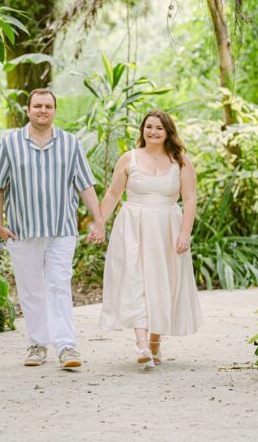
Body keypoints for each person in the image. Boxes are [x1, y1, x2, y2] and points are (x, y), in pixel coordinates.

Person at [0, 88, 106, 370]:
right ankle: (37, 345)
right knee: (31, 290)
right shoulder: (10, 144)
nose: (43, 110)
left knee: (58, 285)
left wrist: (99, 219)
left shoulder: (70, 143)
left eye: (48, 106)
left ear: (54, 111)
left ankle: (66, 346)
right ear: (28, 110)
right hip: (21, 230)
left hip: (60, 229)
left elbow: (85, 185)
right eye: (38, 106)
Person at [98, 109, 202, 368]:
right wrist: (98, 223)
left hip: (168, 227)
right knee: (136, 280)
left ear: (168, 132)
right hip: (133, 226)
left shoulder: (181, 162)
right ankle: (142, 343)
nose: (153, 131)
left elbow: (189, 198)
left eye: (159, 128)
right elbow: (112, 195)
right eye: (149, 127)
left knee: (163, 283)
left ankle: (155, 343)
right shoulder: (129, 159)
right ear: (142, 130)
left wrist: (185, 233)